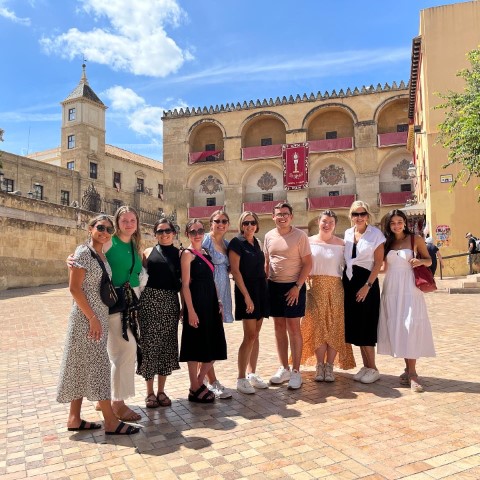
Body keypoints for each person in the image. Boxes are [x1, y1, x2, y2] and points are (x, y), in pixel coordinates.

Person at [57, 215, 140, 435]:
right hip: (88, 318)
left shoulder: (101, 253)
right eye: (100, 228)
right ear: (90, 228)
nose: (104, 232)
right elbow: (74, 288)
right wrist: (92, 317)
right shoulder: (84, 252)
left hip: (98, 315)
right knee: (99, 365)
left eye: (108, 230)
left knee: (82, 364)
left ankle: (74, 418)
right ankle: (110, 421)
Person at [378, 209, 436, 393]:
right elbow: (382, 267)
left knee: (410, 325)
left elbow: (428, 260)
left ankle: (413, 374)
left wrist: (420, 262)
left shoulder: (415, 239)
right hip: (392, 287)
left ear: (405, 222)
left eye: (399, 222)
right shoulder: (387, 242)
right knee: (400, 327)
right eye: (393, 223)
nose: (396, 225)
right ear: (389, 225)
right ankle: (407, 369)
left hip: (410, 287)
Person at [300, 210, 356, 382]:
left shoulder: (343, 244)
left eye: (331, 222)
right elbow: (303, 264)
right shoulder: (308, 242)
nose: (327, 225)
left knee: (334, 327)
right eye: (324, 221)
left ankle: (329, 366)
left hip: (336, 289)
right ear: (318, 222)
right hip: (315, 288)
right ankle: (319, 365)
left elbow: (352, 266)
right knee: (317, 327)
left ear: (335, 225)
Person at [264, 202, 312, 390]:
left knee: (293, 328)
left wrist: (297, 286)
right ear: (273, 216)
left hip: (294, 286)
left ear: (291, 216)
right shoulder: (268, 236)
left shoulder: (300, 236)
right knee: (278, 327)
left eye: (285, 214)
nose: (282, 217)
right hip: (274, 287)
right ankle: (284, 367)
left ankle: (296, 371)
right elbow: (267, 262)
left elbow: (308, 263)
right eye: (278, 214)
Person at [179, 219, 227, 403]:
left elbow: (212, 280)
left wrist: (219, 301)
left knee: (215, 346)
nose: (197, 234)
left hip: (211, 304)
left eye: (200, 230)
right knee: (195, 346)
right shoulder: (187, 254)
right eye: (193, 232)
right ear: (187, 234)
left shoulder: (206, 252)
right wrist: (190, 310)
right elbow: (184, 285)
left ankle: (197, 385)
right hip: (196, 305)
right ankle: (195, 386)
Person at [137, 218, 181, 408]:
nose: (164, 234)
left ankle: (162, 391)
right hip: (149, 302)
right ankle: (149, 392)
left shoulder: (181, 254)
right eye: (160, 231)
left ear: (174, 232)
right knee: (149, 345)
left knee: (167, 345)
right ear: (155, 234)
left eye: (168, 230)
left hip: (171, 301)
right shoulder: (147, 252)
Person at [342, 200, 385, 384]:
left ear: (367, 216)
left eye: (362, 214)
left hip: (366, 282)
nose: (358, 217)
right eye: (355, 214)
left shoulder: (375, 234)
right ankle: (366, 366)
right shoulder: (347, 233)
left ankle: (373, 368)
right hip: (349, 282)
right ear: (351, 216)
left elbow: (378, 263)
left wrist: (367, 285)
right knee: (356, 325)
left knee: (366, 324)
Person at [228, 211, 269, 394]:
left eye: (252, 223)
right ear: (241, 225)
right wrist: (246, 296)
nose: (249, 226)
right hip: (247, 291)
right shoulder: (237, 243)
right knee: (249, 336)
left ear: (257, 224)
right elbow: (236, 272)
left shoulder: (258, 242)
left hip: (261, 290)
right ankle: (241, 377)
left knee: (257, 335)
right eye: (245, 223)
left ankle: (252, 373)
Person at [201, 210, 233, 399]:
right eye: (217, 221)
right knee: (209, 338)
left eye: (224, 221)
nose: (221, 224)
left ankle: (203, 379)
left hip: (222, 292)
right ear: (210, 223)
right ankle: (211, 381)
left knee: (211, 335)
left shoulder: (227, 244)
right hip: (207, 292)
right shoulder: (205, 240)